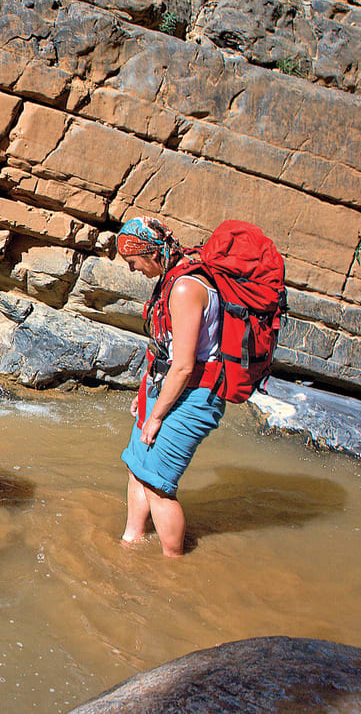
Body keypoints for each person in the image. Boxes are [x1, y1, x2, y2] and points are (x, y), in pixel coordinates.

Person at [117, 216, 225, 557]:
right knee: (137, 468)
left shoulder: (184, 287)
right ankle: (130, 543)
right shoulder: (171, 278)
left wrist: (157, 416)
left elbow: (183, 366)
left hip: (195, 394)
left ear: (150, 253)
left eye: (133, 263)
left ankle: (174, 566)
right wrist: (143, 395)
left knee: (159, 486)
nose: (134, 271)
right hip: (165, 387)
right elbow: (163, 348)